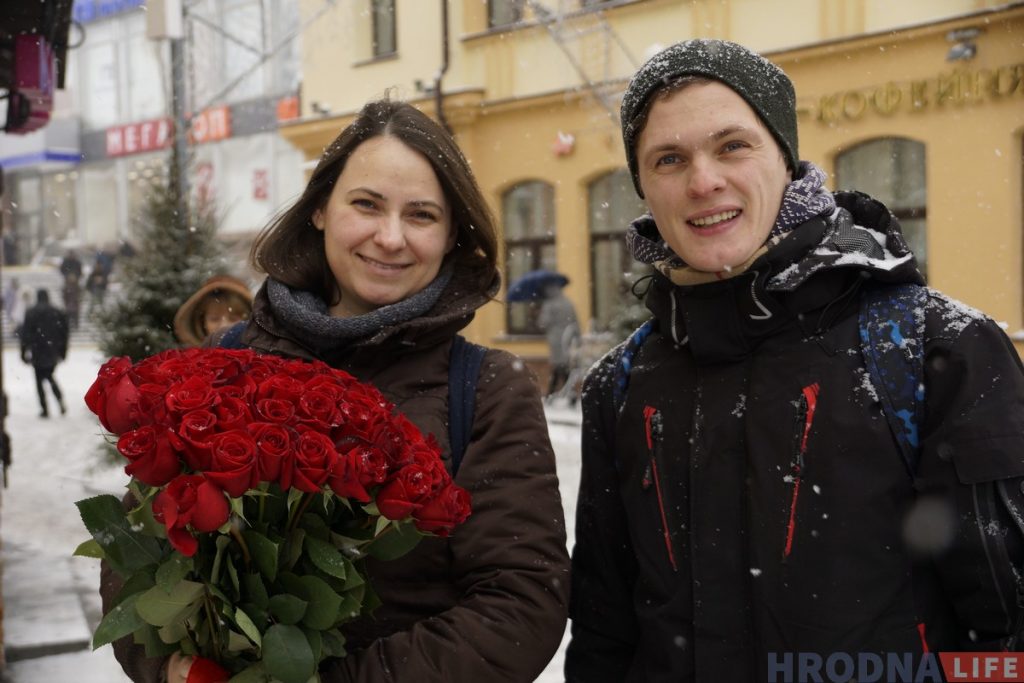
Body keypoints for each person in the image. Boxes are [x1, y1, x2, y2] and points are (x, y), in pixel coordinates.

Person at [565, 39, 1024, 682]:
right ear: (644, 187)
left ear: (785, 159)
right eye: (669, 158)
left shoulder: (937, 348)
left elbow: (1009, 630)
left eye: (733, 145)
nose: (703, 181)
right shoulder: (619, 386)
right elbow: (603, 631)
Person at [102, 98, 570, 683]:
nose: (390, 237)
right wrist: (171, 668)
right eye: (366, 204)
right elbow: (139, 548)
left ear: (451, 233)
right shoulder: (228, 361)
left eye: (421, 215)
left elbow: (520, 604)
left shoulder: (485, 389)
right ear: (321, 208)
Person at [19, 289, 69, 418]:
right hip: (52, 350)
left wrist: (23, 352)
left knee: (39, 380)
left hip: (37, 350)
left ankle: (44, 408)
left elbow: (25, 334)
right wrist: (63, 351)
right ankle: (59, 400)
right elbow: (64, 333)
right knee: (49, 376)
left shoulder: (31, 312)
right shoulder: (57, 312)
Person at [172, 274, 253, 346]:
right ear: (202, 322)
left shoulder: (258, 356)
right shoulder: (186, 358)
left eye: (233, 319)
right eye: (214, 319)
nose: (223, 325)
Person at [537, 280, 580, 401]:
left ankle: (553, 393)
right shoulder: (568, 302)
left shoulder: (549, 304)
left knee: (558, 366)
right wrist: (577, 338)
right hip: (567, 338)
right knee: (564, 364)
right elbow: (575, 321)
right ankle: (567, 393)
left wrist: (539, 315)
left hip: (555, 339)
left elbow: (543, 323)